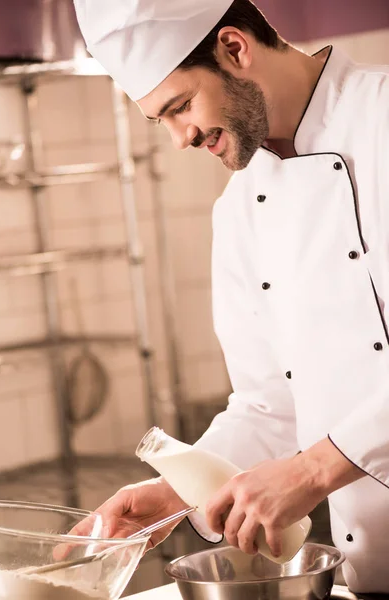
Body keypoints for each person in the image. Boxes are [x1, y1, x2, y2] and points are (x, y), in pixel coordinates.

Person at [73, 0, 389, 593]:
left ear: (236, 49)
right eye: (159, 121)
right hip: (374, 572)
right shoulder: (241, 210)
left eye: (181, 107)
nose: (180, 139)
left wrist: (313, 470)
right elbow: (270, 406)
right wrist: (179, 491)